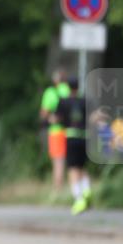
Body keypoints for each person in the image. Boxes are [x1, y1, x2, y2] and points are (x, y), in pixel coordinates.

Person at [54, 76, 91, 215]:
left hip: (71, 137)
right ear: (78, 87)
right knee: (82, 167)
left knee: (73, 169)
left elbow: (56, 118)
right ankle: (86, 190)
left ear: (68, 87)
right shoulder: (84, 101)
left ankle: (79, 199)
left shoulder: (63, 102)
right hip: (85, 137)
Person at [40, 69, 70, 193]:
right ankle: (73, 189)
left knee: (58, 161)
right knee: (73, 162)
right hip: (72, 130)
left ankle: (58, 190)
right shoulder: (70, 90)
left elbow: (44, 113)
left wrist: (50, 118)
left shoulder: (51, 92)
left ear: (55, 80)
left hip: (56, 131)